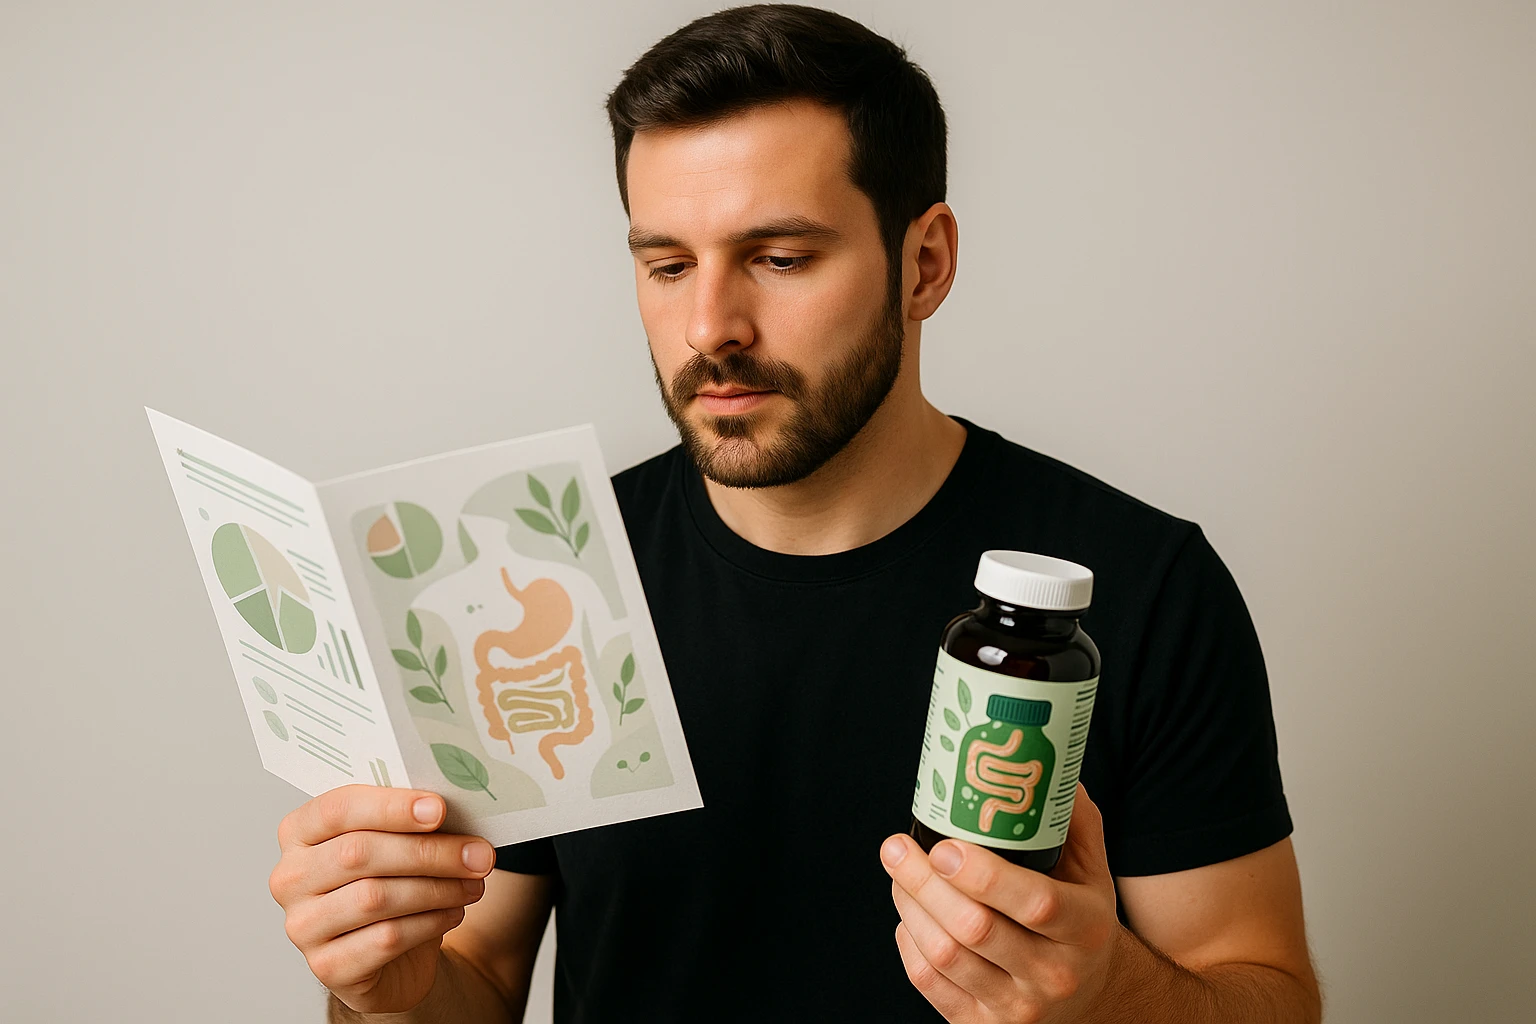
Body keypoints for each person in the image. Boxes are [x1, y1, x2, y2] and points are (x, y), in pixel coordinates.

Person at [267, 5, 1321, 1022]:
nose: (710, 325)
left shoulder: (1142, 585)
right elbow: (477, 984)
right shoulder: (541, 576)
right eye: (668, 264)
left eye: (780, 258)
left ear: (926, 262)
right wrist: (383, 995)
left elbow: (1266, 993)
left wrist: (1108, 1002)